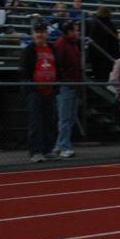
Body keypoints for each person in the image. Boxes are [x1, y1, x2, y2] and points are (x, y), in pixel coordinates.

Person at [19, 19, 61, 163]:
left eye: (42, 32)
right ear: (33, 33)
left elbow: (58, 67)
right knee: (36, 123)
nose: (40, 35)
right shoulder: (29, 50)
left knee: (50, 121)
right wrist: (32, 86)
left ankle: (48, 149)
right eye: (37, 32)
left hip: (50, 91)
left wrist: (56, 85)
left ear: (46, 33)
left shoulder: (52, 48)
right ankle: (35, 151)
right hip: (35, 92)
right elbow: (24, 72)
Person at [53, 20, 82, 159]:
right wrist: (66, 80)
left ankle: (60, 144)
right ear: (69, 31)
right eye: (75, 30)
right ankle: (64, 146)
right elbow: (58, 65)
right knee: (65, 118)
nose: (78, 33)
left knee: (70, 118)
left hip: (74, 85)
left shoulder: (73, 45)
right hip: (66, 85)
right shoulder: (61, 45)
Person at [87, 7, 120, 81]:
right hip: (107, 56)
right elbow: (115, 43)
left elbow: (91, 41)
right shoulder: (111, 25)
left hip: (95, 56)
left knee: (98, 77)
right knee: (106, 78)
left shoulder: (94, 24)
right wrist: (117, 56)